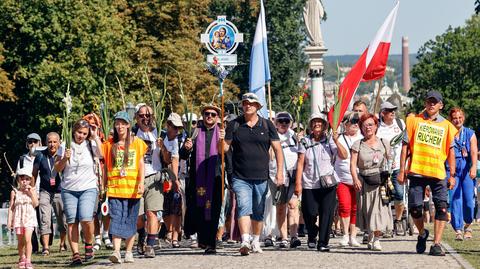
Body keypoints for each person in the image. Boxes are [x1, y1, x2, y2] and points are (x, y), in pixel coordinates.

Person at [220, 92, 284, 256]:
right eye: (245, 103)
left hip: (262, 176)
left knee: (258, 211)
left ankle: (255, 240)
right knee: (243, 207)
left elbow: (277, 150)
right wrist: (221, 139)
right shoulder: (234, 125)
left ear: (257, 106)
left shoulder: (267, 125)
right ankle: (245, 240)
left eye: (251, 103)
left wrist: (280, 173)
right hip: (240, 176)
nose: (247, 105)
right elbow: (223, 150)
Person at [398, 91, 457, 256]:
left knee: (442, 208)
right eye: (429, 102)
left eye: (435, 102)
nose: (431, 105)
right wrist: (402, 170)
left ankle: (437, 244)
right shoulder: (413, 121)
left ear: (440, 105)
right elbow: (404, 147)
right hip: (416, 171)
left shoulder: (447, 126)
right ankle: (422, 233)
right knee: (416, 209)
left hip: (438, 173)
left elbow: (451, 151)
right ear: (425, 103)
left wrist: (452, 174)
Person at [294, 113, 347, 252]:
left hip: (328, 183)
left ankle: (323, 242)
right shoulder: (305, 141)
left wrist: (336, 141)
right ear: (311, 125)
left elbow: (344, 155)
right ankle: (312, 234)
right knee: (309, 213)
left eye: (320, 122)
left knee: (327, 213)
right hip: (309, 183)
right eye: (314, 122)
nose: (317, 124)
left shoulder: (329, 140)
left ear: (325, 125)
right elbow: (300, 163)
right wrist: (298, 183)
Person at [55, 119, 103, 265]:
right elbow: (57, 168)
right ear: (73, 131)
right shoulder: (65, 145)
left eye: (84, 133)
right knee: (72, 222)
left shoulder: (90, 144)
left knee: (86, 218)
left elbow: (101, 154)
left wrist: (95, 137)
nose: (81, 136)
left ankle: (89, 244)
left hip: (88, 187)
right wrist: (65, 158)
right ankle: (76, 254)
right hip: (69, 189)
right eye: (79, 132)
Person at [103, 111, 147, 264]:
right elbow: (105, 167)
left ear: (128, 125)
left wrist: (141, 182)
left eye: (123, 123)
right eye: (117, 123)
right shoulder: (109, 144)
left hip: (133, 189)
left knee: (130, 219)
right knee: (116, 218)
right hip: (115, 188)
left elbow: (141, 165)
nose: (120, 126)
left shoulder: (137, 142)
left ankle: (128, 252)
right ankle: (116, 252)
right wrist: (103, 184)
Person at [182, 104, 223, 254]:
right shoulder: (195, 132)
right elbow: (183, 155)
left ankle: (211, 243)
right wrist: (186, 148)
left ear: (217, 117)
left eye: (213, 114)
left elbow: (228, 155)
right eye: (207, 114)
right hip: (197, 177)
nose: (210, 117)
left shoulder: (221, 134)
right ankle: (202, 239)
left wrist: (230, 176)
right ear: (203, 116)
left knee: (214, 209)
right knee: (199, 209)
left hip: (216, 177)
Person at [350, 113, 392, 251]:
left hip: (380, 181)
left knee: (379, 210)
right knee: (367, 211)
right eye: (365, 125)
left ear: (376, 126)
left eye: (370, 124)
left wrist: (389, 166)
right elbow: (352, 164)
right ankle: (370, 236)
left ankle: (377, 239)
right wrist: (355, 179)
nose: (368, 127)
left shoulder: (383, 142)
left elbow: (390, 159)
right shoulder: (358, 144)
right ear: (361, 127)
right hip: (364, 181)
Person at [133, 104, 164, 257]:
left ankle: (150, 245)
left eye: (148, 115)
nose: (145, 118)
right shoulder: (131, 133)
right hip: (135, 178)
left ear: (153, 117)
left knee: (152, 212)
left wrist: (163, 147)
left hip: (154, 177)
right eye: (142, 116)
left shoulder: (160, 133)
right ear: (136, 117)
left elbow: (167, 158)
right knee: (138, 216)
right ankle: (141, 236)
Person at [32, 132, 67, 256]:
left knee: (62, 220)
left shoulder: (63, 155)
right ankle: (46, 247)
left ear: (59, 142)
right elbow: (34, 174)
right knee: (44, 219)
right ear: (46, 143)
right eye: (49, 142)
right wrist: (32, 192)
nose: (52, 144)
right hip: (45, 191)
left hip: (60, 191)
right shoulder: (40, 156)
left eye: (54, 141)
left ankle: (62, 244)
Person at [269, 112, 301, 248]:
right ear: (276, 123)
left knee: (293, 205)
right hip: (277, 176)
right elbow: (269, 156)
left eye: (286, 121)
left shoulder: (294, 136)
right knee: (281, 207)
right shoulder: (272, 136)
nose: (283, 123)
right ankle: (283, 237)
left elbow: (301, 155)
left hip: (293, 175)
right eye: (280, 121)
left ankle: (294, 236)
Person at [376, 101, 406, 235]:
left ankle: (398, 220)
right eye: (389, 110)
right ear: (383, 113)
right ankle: (387, 224)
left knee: (399, 194)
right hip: (383, 168)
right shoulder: (377, 126)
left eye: (394, 110)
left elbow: (406, 144)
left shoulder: (400, 124)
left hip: (398, 167)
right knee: (385, 198)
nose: (393, 112)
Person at [447, 107, 477, 240]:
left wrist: (474, 167)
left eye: (459, 117)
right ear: (450, 119)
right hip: (451, 169)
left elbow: (474, 151)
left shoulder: (470, 133)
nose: (457, 120)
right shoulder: (448, 133)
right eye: (454, 118)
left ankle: (468, 225)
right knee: (455, 200)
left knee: (469, 200)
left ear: (463, 118)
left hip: (466, 169)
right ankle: (458, 229)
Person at [335, 112, 362, 247]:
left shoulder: (363, 138)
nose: (356, 123)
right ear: (345, 124)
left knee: (355, 208)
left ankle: (353, 236)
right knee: (345, 206)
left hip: (359, 178)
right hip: (342, 178)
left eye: (357, 121)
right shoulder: (337, 138)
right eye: (352, 121)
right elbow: (341, 155)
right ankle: (345, 234)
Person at [8, 168, 39, 269]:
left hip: (29, 219)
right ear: (18, 180)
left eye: (27, 179)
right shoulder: (15, 192)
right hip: (18, 219)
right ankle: (22, 258)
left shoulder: (32, 190)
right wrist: (10, 221)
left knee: (27, 238)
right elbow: (11, 208)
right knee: (20, 241)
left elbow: (36, 204)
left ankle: (29, 260)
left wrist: (30, 193)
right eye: (22, 179)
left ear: (30, 180)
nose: (24, 181)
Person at [161, 113, 183, 248]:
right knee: (164, 207)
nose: (176, 130)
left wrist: (176, 180)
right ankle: (168, 231)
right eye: (174, 127)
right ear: (167, 125)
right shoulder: (161, 137)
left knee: (177, 206)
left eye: (178, 128)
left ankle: (175, 236)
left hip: (177, 175)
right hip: (161, 176)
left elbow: (174, 160)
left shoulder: (179, 140)